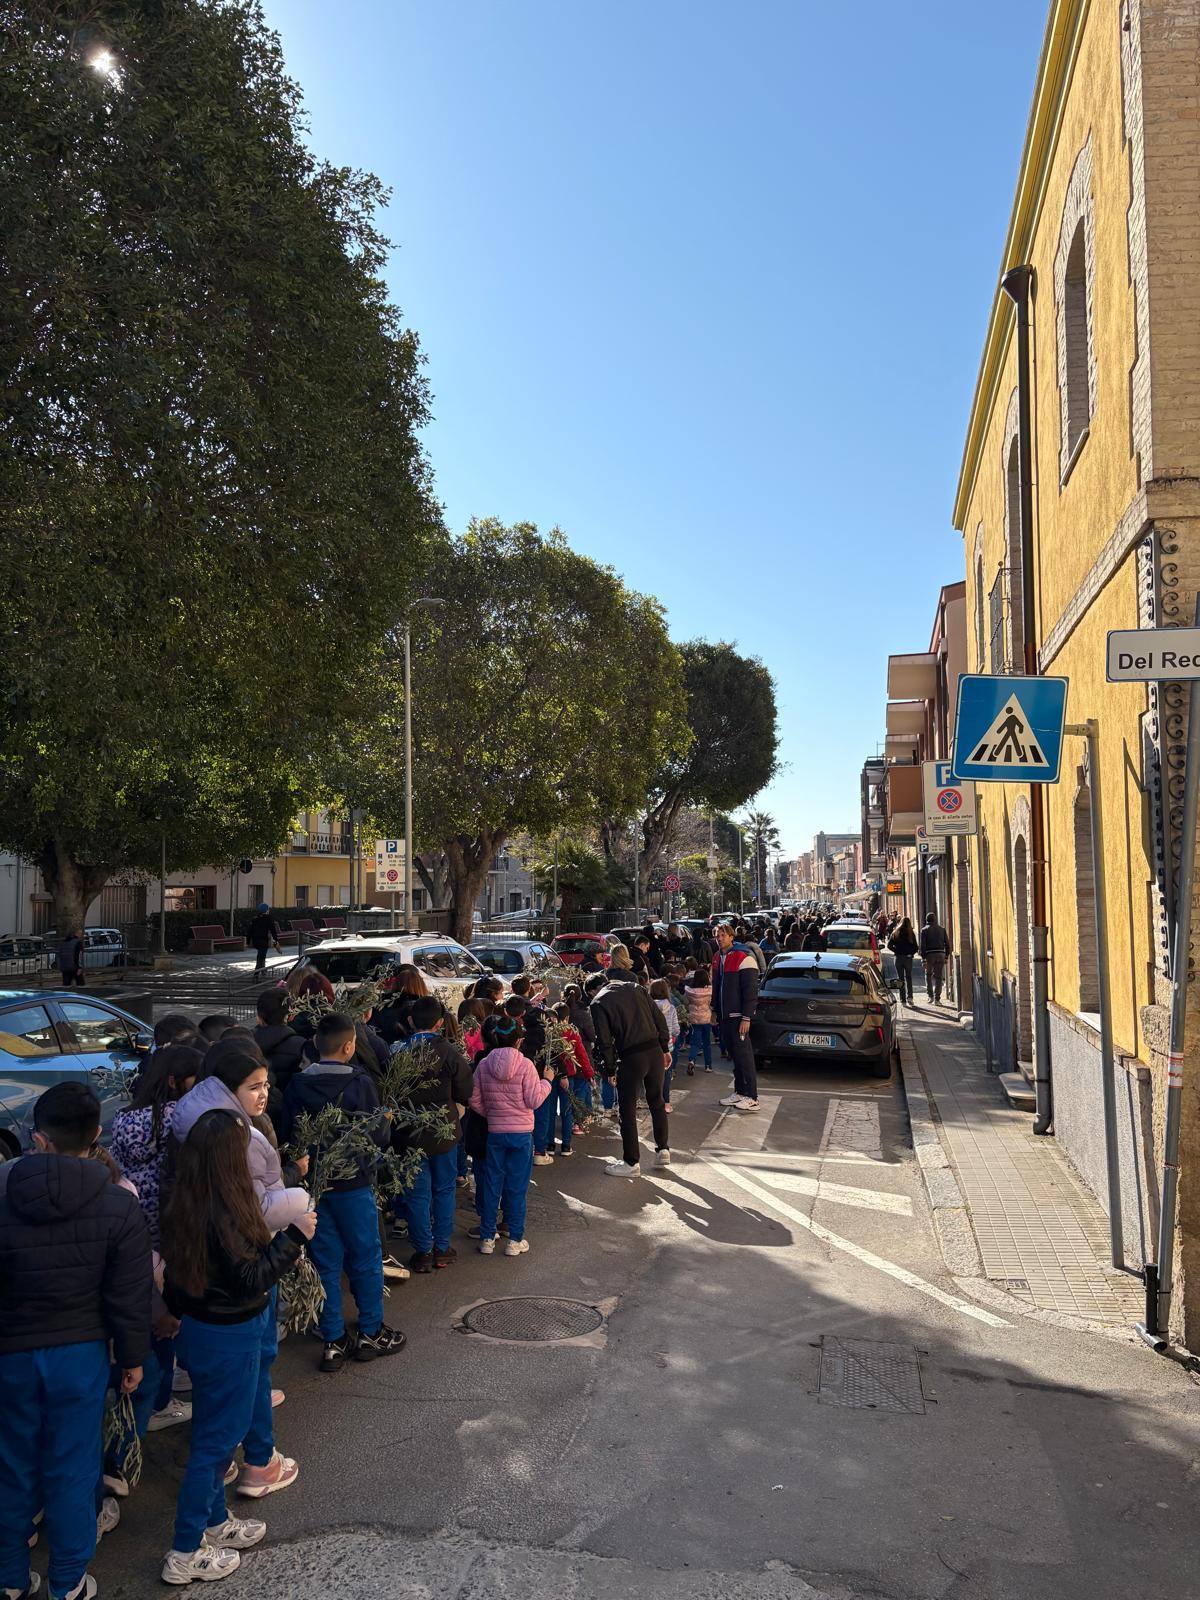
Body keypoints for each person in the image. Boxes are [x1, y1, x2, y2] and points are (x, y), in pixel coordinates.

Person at [0, 1083, 150, 1600]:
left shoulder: (2, 1199)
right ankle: (67, 1583)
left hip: (11, 1352)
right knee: (74, 1467)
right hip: (81, 1353)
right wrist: (132, 1358)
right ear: (96, 1136)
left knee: (12, 1463)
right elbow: (128, 1295)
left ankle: (10, 1577)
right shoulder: (118, 1206)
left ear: (38, 1139)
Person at [160, 1111, 314, 1586]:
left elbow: (177, 1280)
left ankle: (214, 1521)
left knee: (211, 1429)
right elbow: (251, 1279)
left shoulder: (184, 1201)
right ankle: (185, 1550)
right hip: (231, 1333)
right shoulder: (225, 1213)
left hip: (198, 1331)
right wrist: (294, 1238)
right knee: (216, 1443)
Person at [170, 1039, 312, 1496]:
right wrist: (297, 1217)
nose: (263, 1094)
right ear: (225, 1087)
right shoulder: (233, 1136)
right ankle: (257, 1462)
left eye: (265, 1084)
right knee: (252, 1372)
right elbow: (254, 1219)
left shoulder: (201, 1125)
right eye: (253, 1086)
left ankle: (226, 1460)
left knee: (227, 1388)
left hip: (204, 1296)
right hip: (242, 1290)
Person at [278, 1012, 404, 1373]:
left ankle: (333, 1338)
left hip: (315, 1186)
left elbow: (289, 1135)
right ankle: (371, 1331)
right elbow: (374, 1135)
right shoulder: (360, 1082)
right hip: (354, 1184)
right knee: (365, 1256)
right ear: (349, 1046)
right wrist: (385, 1120)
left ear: (315, 1044)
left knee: (325, 1260)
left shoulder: (297, 1085)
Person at [392, 996, 473, 1272]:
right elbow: (465, 1089)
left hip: (408, 1131)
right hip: (444, 1130)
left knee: (416, 1192)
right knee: (444, 1189)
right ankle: (442, 1247)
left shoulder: (398, 1051)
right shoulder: (448, 1051)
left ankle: (423, 1250)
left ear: (411, 1021)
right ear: (440, 1023)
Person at [469, 1013, 554, 1256]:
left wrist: (493, 1113)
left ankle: (487, 1238)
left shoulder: (484, 1065)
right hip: (521, 1134)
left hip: (495, 1132)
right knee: (516, 1187)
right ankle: (515, 1240)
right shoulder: (526, 1065)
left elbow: (474, 1098)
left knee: (491, 1184)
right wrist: (547, 1081)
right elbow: (534, 1100)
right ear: (519, 1041)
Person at [590, 946, 671, 1178]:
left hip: (631, 1055)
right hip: (654, 1050)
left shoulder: (599, 1002)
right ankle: (663, 1149)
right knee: (657, 1101)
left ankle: (631, 1161)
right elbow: (659, 1019)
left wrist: (609, 1069)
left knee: (627, 1109)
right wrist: (665, 1048)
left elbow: (604, 1041)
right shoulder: (637, 988)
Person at [712, 923, 760, 1111]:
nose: (719, 938)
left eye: (723, 935)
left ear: (731, 937)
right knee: (735, 1056)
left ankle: (752, 1097)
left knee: (744, 1056)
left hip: (738, 1017)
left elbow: (750, 991)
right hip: (725, 1016)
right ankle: (740, 1091)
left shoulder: (744, 957)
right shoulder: (718, 957)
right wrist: (715, 1010)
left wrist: (746, 1017)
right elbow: (716, 987)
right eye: (717, 935)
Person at [252, 988, 308, 1104]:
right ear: (291, 1015)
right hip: (289, 1106)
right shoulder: (301, 1045)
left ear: (259, 1016)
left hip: (253, 1105)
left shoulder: (245, 1042)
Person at [649, 979, 680, 1107]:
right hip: (666, 1046)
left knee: (651, 1075)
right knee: (666, 1075)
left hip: (650, 1046)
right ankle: (666, 1103)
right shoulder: (671, 1008)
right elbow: (676, 1030)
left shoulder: (648, 1007)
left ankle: (652, 1102)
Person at [684, 964, 714, 1073]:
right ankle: (708, 1066)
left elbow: (685, 1002)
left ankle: (692, 1060)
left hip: (694, 1019)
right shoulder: (710, 991)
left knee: (695, 1042)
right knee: (706, 1043)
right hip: (706, 1018)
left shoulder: (689, 991)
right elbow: (711, 1003)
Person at [920, 912, 950, 1004]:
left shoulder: (924, 930)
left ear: (926, 920)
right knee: (939, 977)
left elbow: (922, 946)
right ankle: (937, 999)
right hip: (940, 954)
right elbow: (947, 944)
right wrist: (946, 956)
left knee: (928, 975)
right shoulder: (942, 929)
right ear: (935, 920)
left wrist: (923, 959)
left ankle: (930, 996)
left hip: (929, 955)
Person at [888, 916, 918, 1006]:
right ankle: (910, 998)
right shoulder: (911, 933)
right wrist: (910, 953)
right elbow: (916, 947)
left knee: (900, 979)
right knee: (909, 978)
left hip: (898, 958)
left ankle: (903, 1000)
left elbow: (889, 945)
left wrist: (896, 951)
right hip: (908, 958)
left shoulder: (895, 932)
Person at [246, 904, 282, 976]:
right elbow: (273, 930)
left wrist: (248, 941)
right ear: (266, 910)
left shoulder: (255, 919)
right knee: (261, 956)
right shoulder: (269, 918)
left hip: (256, 940)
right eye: (268, 909)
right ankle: (257, 973)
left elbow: (250, 930)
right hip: (263, 940)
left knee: (262, 954)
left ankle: (263, 971)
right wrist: (276, 940)